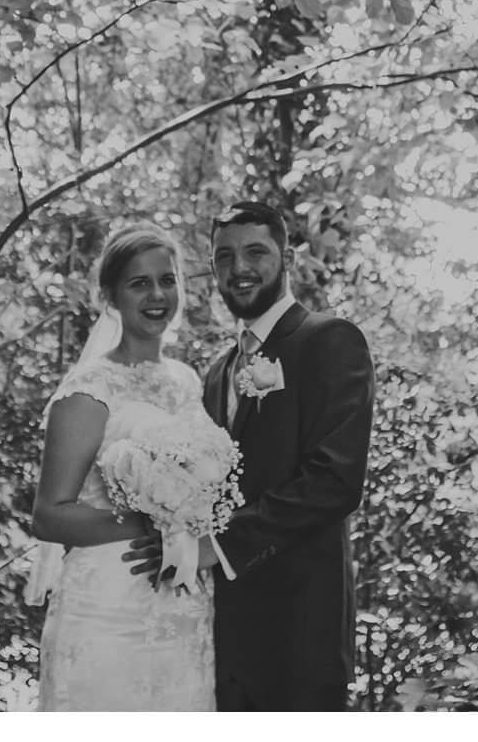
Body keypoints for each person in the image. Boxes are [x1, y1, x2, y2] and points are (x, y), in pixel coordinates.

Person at [128, 199, 376, 710]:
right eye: (223, 257)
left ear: (285, 258)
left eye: (255, 252)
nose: (239, 269)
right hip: (227, 628)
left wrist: (214, 548)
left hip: (301, 627)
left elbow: (336, 480)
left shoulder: (329, 340)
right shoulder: (219, 370)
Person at [26, 223, 219, 710]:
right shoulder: (89, 391)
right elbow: (49, 515)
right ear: (110, 296)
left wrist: (190, 531)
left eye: (167, 280)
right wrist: (150, 524)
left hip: (183, 601)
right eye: (139, 283)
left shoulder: (188, 380)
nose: (157, 295)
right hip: (108, 607)